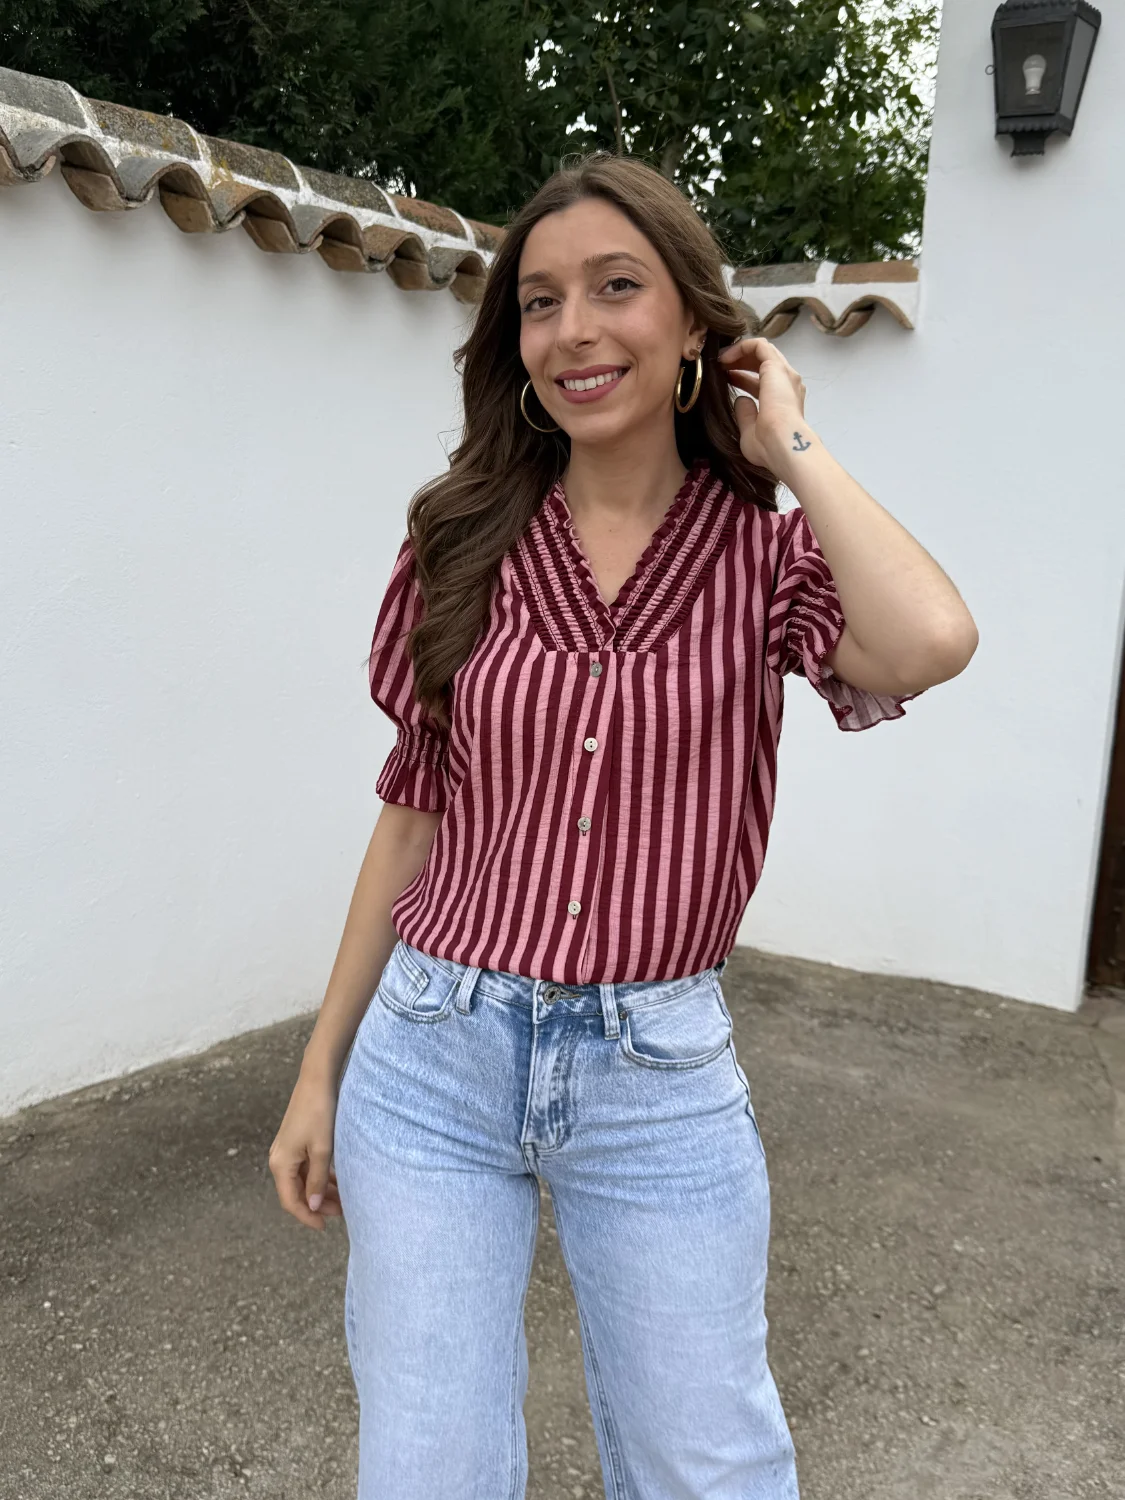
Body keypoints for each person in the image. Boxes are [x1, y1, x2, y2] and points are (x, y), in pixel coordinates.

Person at [268, 151, 978, 1500]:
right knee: (428, 1469)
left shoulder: (766, 561)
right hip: (433, 1055)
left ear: (697, 326)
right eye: (539, 303)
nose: (573, 330)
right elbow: (411, 815)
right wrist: (320, 1073)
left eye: (615, 287)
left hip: (655, 1077)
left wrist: (790, 445)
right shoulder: (461, 543)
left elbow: (931, 640)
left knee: (710, 1466)